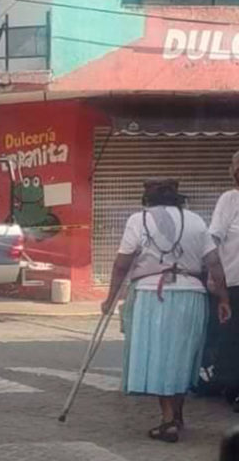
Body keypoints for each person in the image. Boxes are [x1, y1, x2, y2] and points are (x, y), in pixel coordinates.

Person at [102, 179, 231, 444]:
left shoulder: (139, 220)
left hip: (152, 296)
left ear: (147, 199)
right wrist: (223, 299)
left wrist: (111, 296)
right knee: (183, 354)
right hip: (191, 294)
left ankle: (168, 420)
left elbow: (121, 264)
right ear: (179, 198)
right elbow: (214, 263)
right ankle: (178, 414)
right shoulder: (195, 220)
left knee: (161, 355)